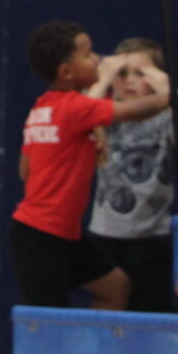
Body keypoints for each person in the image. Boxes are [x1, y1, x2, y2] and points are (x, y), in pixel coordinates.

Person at [12, 22, 171, 312]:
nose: (98, 59)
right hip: (42, 236)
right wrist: (167, 95)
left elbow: (25, 172)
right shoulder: (76, 107)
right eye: (88, 55)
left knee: (116, 287)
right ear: (67, 72)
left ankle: (94, 352)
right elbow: (136, 110)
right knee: (50, 319)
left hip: (66, 232)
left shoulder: (43, 107)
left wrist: (64, 150)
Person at [86, 39, 176, 313]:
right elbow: (79, 115)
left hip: (152, 240)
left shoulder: (166, 119)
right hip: (105, 238)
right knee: (109, 317)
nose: (131, 82)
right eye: (123, 74)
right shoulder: (102, 115)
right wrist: (104, 78)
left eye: (141, 74)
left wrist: (167, 89)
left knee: (150, 318)